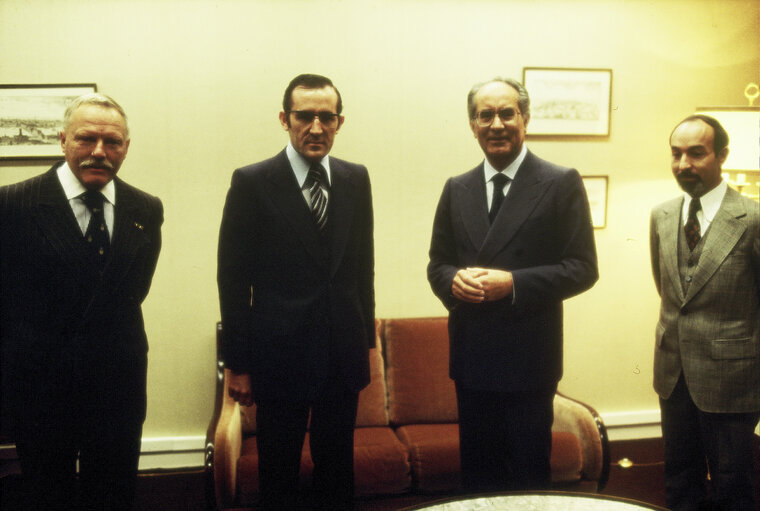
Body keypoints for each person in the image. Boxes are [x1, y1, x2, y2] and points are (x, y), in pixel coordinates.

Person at [427, 77, 598, 492]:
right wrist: (454, 281)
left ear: (525, 118)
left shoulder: (560, 182)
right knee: (479, 481)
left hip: (528, 362)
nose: (497, 124)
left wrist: (514, 283)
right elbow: (438, 264)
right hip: (472, 361)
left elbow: (583, 268)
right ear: (473, 124)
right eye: (486, 115)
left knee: (526, 482)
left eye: (507, 113)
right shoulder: (457, 187)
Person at [217, 73, 374, 510]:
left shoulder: (356, 179)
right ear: (285, 119)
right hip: (278, 359)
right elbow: (232, 280)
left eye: (327, 117)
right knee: (279, 474)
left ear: (340, 122)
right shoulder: (252, 181)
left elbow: (364, 268)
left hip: (341, 358)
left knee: (337, 472)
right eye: (305, 116)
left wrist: (366, 345)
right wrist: (239, 365)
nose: (316, 127)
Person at [0, 93, 163, 510]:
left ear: (126, 147)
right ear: (62, 140)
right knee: (47, 495)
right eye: (86, 139)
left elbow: (133, 292)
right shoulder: (13, 205)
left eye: (112, 143)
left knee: (113, 494)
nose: (99, 152)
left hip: (119, 388)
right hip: (42, 390)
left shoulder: (145, 207)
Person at [650, 114, 760, 511]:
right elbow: (670, 292)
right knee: (679, 481)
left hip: (732, 380)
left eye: (696, 154)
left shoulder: (752, 218)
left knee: (734, 488)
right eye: (676, 154)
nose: (684, 165)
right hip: (673, 375)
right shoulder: (661, 216)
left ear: (722, 156)